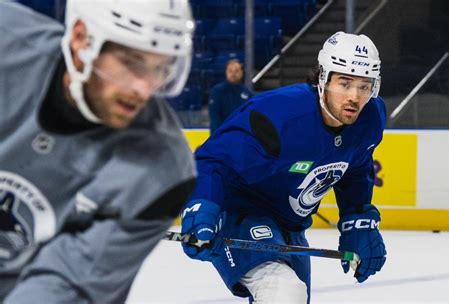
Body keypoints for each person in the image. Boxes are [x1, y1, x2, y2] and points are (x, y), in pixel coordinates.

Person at [0, 1, 196, 303]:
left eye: (162, 68)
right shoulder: (7, 41)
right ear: (81, 39)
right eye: (132, 62)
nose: (143, 89)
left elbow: (68, 283)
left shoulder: (162, 170)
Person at [181, 31, 387, 303]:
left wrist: (357, 218)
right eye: (345, 83)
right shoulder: (280, 116)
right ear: (323, 78)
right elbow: (214, 160)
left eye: (365, 86)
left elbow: (356, 165)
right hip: (240, 209)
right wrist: (203, 207)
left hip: (290, 224)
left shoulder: (370, 118)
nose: (354, 97)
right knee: (285, 294)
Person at [208, 59, 254, 133]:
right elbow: (214, 117)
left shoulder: (247, 93)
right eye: (230, 71)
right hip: (221, 136)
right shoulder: (217, 91)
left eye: (236, 71)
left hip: (240, 136)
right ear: (226, 72)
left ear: (242, 72)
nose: (233, 74)